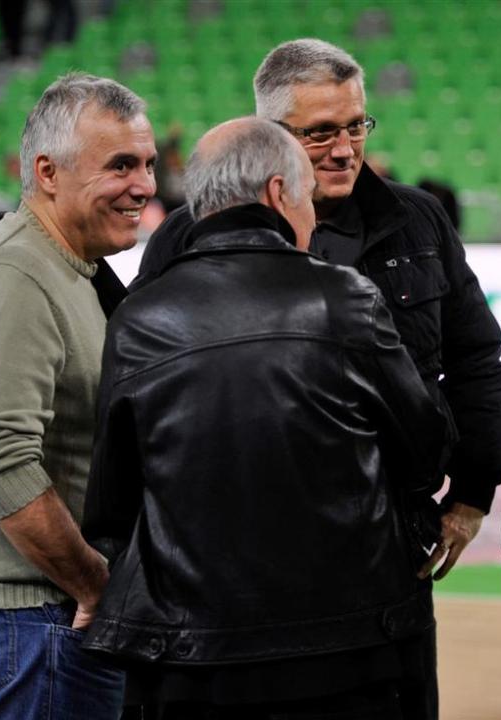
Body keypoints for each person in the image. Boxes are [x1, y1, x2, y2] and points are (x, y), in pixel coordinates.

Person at [135, 42, 501, 713]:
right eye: (320, 133)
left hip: (386, 556)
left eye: (356, 125)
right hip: (229, 564)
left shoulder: (418, 220)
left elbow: (476, 358)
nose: (344, 149)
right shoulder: (185, 236)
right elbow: (143, 390)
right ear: (270, 135)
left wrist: (472, 495)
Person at [81, 117, 450, 720]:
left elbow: (112, 504)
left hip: (190, 659)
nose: (313, 219)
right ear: (279, 193)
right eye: (307, 199)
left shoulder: (139, 318)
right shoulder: (346, 298)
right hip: (347, 650)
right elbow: (425, 453)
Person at [0, 72, 156, 719]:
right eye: (120, 165)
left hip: (46, 622)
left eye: (147, 164)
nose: (144, 184)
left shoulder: (67, 267)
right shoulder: (19, 274)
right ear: (48, 173)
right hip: (39, 622)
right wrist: (92, 583)